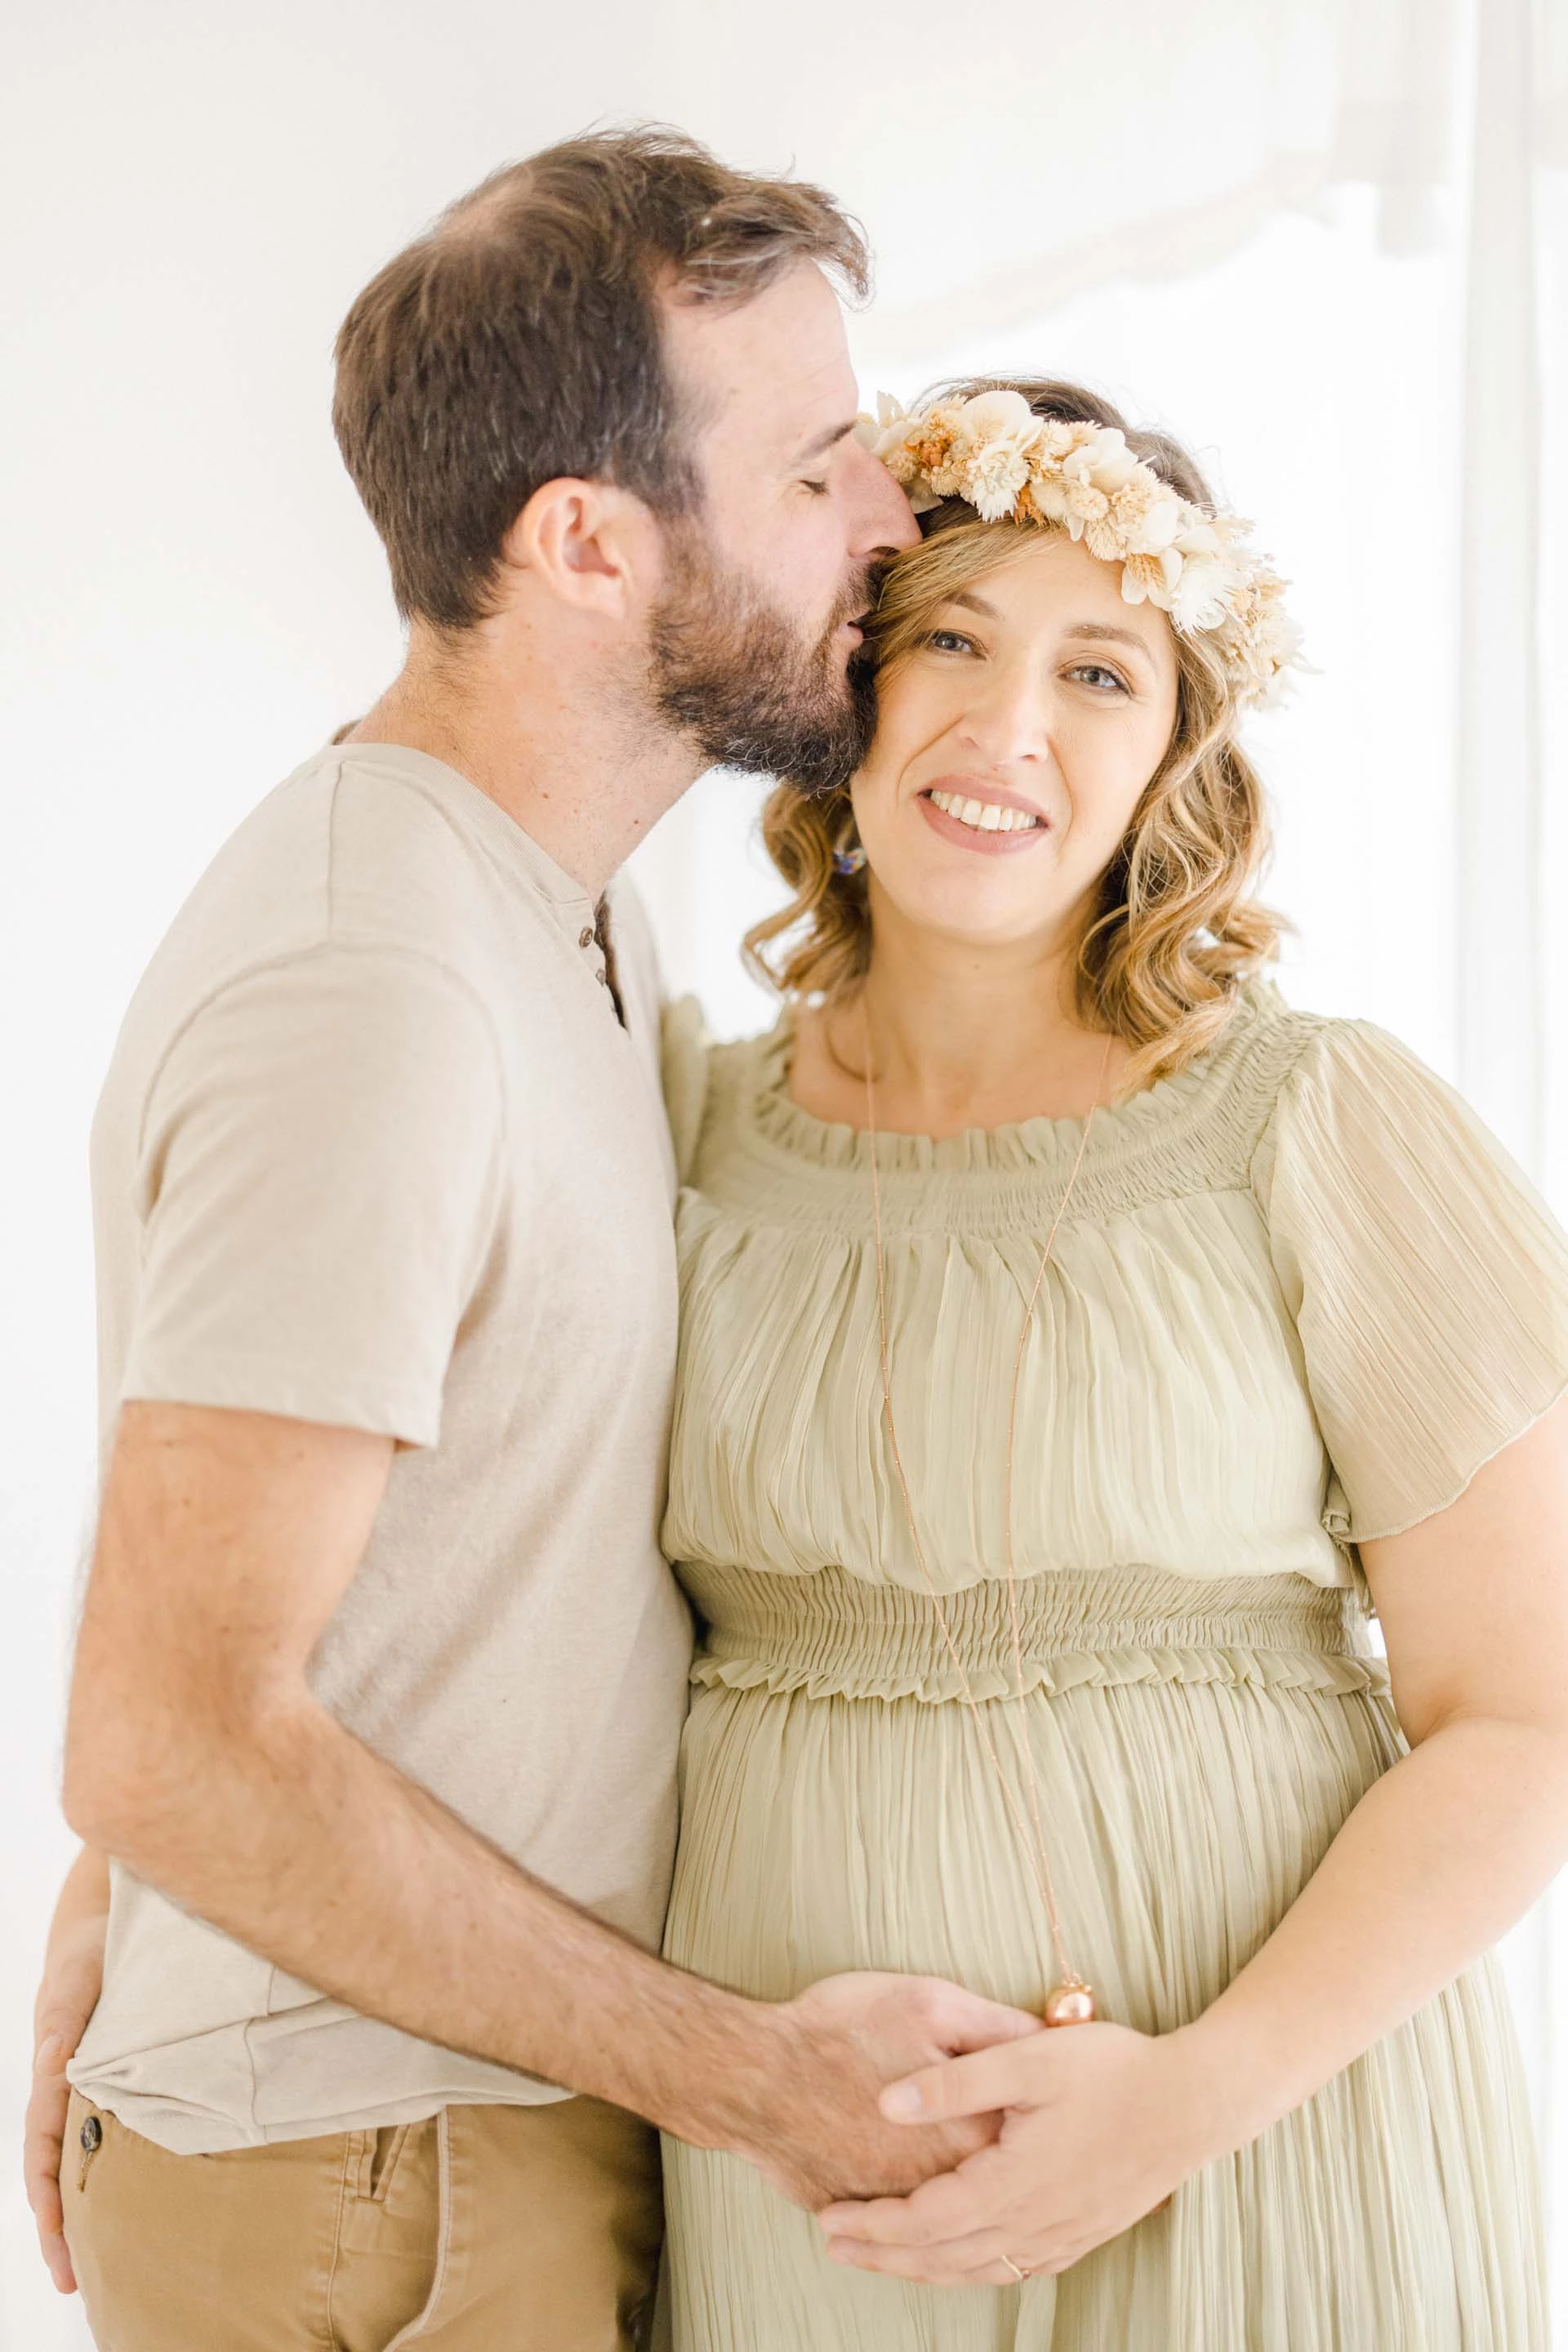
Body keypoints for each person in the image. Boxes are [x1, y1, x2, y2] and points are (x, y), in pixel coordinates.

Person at [24, 136, 1043, 2351]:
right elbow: (169, 1736)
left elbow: (253, 1617)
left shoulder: (557, 907)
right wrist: (758, 2080)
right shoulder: (370, 986)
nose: (888, 521)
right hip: (380, 2180)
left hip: (450, 2135)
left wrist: (140, 1877)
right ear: (586, 543)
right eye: (815, 470)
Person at [654, 378, 1568, 2346]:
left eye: (1099, 674)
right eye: (954, 643)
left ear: (1173, 755)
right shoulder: (678, 1131)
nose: (1009, 731)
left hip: (1263, 2145)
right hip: (813, 2185)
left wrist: (1188, 2102)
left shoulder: (1315, 1119)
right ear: (849, 682)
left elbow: (1530, 1720)